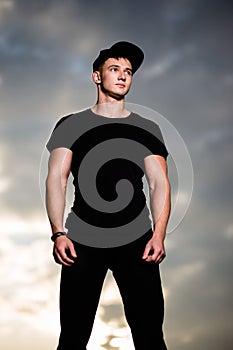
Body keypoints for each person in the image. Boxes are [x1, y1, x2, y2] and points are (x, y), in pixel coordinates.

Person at [45, 41, 171, 349]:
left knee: (151, 335)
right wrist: (58, 233)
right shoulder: (71, 124)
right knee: (73, 335)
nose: (123, 76)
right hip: (83, 241)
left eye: (128, 72)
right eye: (115, 69)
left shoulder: (147, 127)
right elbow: (56, 179)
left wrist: (159, 235)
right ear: (96, 76)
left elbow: (159, 183)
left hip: (137, 240)